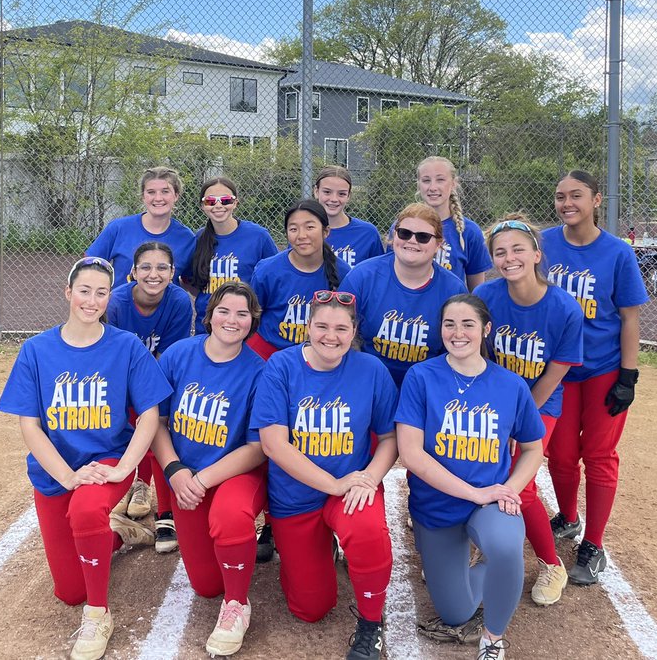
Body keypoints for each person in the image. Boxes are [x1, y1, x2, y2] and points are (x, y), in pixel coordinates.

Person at [0, 256, 172, 660]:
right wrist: (67, 476)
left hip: (106, 461)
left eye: (101, 293)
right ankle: (119, 533)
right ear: (68, 293)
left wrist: (125, 468)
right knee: (69, 591)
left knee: (87, 511)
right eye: (84, 291)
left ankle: (98, 615)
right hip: (56, 471)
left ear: (110, 298)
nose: (92, 301)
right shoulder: (36, 350)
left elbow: (149, 414)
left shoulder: (125, 346)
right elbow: (30, 425)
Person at [250, 291, 399, 660]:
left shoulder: (371, 369)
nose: (330, 336)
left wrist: (369, 478)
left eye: (341, 329)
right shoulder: (281, 366)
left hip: (350, 489)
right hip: (296, 496)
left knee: (368, 532)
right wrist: (333, 483)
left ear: (354, 331)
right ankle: (319, 549)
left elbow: (390, 438)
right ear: (307, 327)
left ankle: (370, 624)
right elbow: (273, 444)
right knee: (311, 608)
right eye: (322, 326)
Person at [396, 295, 545, 660]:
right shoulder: (421, 376)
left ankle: (492, 639)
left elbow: (533, 449)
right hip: (437, 504)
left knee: (506, 547)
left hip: (489, 502)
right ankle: (491, 572)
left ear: (485, 329)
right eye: (449, 324)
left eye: (468, 324)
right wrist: (473, 493)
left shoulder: (510, 384)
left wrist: (508, 489)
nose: (458, 333)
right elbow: (411, 453)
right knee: (456, 612)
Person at [539, 171, 649, 586]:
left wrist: (628, 375)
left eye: (577, 195)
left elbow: (629, 318)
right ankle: (568, 518)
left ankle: (594, 543)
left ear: (596, 200)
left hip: (603, 367)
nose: (567, 203)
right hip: (558, 370)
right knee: (561, 454)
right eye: (560, 196)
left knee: (599, 455)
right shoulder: (545, 244)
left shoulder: (617, 252)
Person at [151, 282, 268, 656]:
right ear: (209, 315)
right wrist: (174, 469)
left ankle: (237, 604)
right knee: (205, 585)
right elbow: (157, 422)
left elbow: (257, 448)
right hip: (185, 475)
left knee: (229, 518)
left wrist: (201, 478)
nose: (232, 320)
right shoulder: (178, 354)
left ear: (252, 321)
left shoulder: (259, 371)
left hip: (235, 474)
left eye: (242, 314)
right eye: (224, 311)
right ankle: (227, 572)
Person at [475, 214, 583, 606]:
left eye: (518, 249)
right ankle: (482, 547)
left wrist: (513, 423)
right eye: (500, 252)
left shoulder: (564, 308)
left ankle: (551, 563)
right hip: (490, 399)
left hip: (539, 403)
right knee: (475, 464)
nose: (509, 259)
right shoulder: (486, 297)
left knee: (522, 482)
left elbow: (553, 376)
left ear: (537, 254)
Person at [107, 241, 195, 552]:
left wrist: (148, 398)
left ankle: (165, 514)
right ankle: (135, 486)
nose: (153, 274)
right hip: (120, 375)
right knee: (120, 429)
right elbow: (112, 357)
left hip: (157, 374)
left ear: (172, 272)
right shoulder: (117, 303)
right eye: (145, 267)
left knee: (158, 425)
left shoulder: (179, 301)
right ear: (133, 271)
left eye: (161, 267)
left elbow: (167, 359)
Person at [340, 203, 467, 388]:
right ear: (394, 236)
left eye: (423, 237)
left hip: (427, 385)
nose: (412, 241)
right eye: (404, 233)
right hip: (368, 381)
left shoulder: (453, 289)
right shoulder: (362, 277)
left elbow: (460, 349)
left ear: (438, 244)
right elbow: (337, 332)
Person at [248, 199, 350, 361]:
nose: (302, 235)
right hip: (269, 352)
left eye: (310, 227)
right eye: (293, 229)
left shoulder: (343, 273)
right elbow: (252, 315)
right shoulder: (267, 270)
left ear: (326, 231)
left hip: (319, 356)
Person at [188, 176, 278, 320]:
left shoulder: (258, 236)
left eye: (226, 200)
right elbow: (190, 282)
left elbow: (274, 278)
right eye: (210, 201)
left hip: (244, 322)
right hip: (206, 323)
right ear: (202, 206)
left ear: (235, 203)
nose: (218, 205)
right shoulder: (198, 238)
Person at [87, 166, 196, 284]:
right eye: (151, 192)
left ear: (176, 195)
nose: (158, 198)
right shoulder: (119, 228)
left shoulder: (187, 238)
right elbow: (88, 268)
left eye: (165, 191)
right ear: (143, 196)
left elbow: (189, 282)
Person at [413, 156, 491, 290]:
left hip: (451, 303)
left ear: (453, 183)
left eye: (440, 180)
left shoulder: (469, 231)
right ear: (419, 184)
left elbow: (477, 291)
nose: (432, 187)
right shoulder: (403, 229)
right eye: (426, 180)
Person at [314, 165, 384, 269]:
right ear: (316, 191)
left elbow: (379, 272)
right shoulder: (304, 231)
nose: (334, 199)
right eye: (327, 192)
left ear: (349, 196)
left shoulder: (368, 233)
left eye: (341, 194)